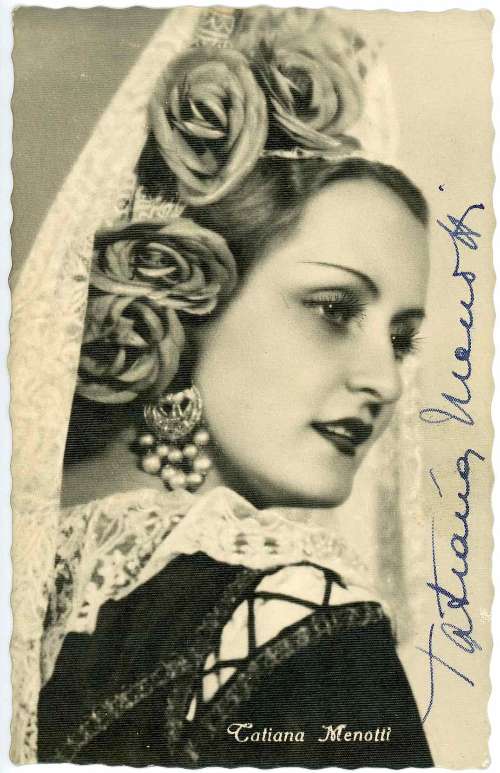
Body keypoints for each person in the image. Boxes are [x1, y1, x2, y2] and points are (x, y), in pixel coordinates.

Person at [12, 6, 433, 767]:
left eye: (401, 339)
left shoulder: (38, 596)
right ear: (188, 299)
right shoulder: (304, 617)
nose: (385, 382)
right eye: (334, 308)